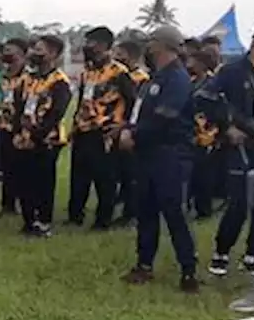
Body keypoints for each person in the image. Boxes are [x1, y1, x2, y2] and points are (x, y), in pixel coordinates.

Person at [120, 26, 201, 293]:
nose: (148, 47)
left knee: (174, 212)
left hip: (170, 154)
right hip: (147, 154)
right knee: (146, 210)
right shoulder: (153, 79)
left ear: (163, 45)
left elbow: (165, 117)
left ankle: (188, 270)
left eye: (152, 42)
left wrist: (135, 135)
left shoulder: (177, 78)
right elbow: (140, 115)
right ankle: (144, 264)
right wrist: (128, 130)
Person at [198, 17, 254, 279]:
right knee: (240, 201)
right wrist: (227, 127)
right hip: (238, 147)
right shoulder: (232, 72)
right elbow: (205, 99)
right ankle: (222, 250)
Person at [67, 27, 135, 230]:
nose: (87, 47)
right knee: (79, 175)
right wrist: (74, 124)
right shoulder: (87, 72)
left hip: (105, 132)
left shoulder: (119, 72)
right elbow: (81, 99)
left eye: (92, 43)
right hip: (83, 129)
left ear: (104, 46)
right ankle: (75, 215)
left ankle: (103, 219)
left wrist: (125, 126)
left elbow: (132, 101)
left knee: (105, 178)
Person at [12, 35, 72, 238]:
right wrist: (18, 131)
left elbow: (57, 113)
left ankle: (43, 221)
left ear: (53, 54)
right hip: (24, 138)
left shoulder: (60, 82)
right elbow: (18, 106)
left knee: (43, 182)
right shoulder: (28, 78)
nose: (34, 54)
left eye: (40, 50)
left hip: (47, 140)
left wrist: (37, 134)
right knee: (23, 181)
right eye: (34, 49)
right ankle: (29, 220)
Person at [114, 39, 151, 225]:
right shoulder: (119, 75)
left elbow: (136, 105)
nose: (116, 58)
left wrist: (129, 127)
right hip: (118, 129)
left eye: (120, 54)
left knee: (131, 175)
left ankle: (132, 213)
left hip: (131, 128)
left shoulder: (141, 79)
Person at [187, 47, 222, 220]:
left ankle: (204, 210)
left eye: (193, 60)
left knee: (204, 175)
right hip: (190, 133)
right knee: (190, 174)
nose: (189, 63)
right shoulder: (190, 82)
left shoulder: (212, 83)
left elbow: (216, 110)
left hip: (208, 134)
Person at [0, 39, 29, 215]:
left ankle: (24, 203)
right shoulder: (5, 75)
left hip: (20, 127)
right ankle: (7, 204)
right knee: (6, 166)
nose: (5, 54)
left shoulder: (28, 77)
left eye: (9, 50)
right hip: (4, 125)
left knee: (20, 167)